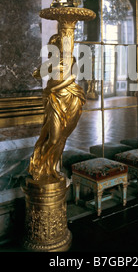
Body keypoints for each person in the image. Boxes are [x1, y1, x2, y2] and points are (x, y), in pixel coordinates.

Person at [29, 33, 86, 182]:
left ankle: (52, 168)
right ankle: (40, 167)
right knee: (53, 138)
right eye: (60, 44)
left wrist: (53, 88)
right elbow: (35, 74)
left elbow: (73, 77)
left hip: (72, 98)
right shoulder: (52, 62)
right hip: (55, 101)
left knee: (62, 137)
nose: (64, 47)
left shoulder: (71, 59)